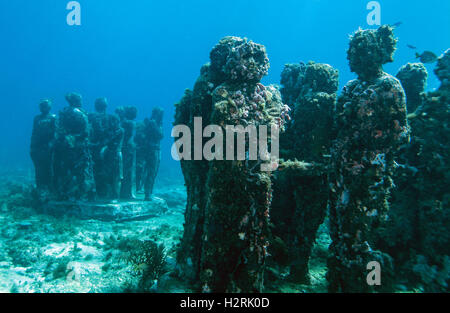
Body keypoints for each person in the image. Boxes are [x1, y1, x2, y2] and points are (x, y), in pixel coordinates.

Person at [53, 92, 96, 201]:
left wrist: (68, 138)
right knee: (83, 170)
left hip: (66, 146)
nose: (81, 102)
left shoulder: (63, 112)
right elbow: (86, 131)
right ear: (75, 101)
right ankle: (83, 194)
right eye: (80, 100)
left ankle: (66, 193)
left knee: (67, 169)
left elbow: (59, 130)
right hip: (80, 146)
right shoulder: (80, 113)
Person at [136, 108, 163, 201]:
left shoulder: (153, 123)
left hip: (153, 149)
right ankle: (147, 193)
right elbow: (160, 135)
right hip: (152, 150)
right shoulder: (153, 123)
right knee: (151, 171)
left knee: (150, 172)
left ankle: (147, 191)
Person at [30, 99, 57, 193]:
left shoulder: (54, 118)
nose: (43, 107)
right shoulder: (37, 118)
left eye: (45, 105)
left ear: (49, 107)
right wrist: (32, 147)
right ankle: (40, 186)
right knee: (38, 167)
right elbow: (34, 133)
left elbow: (56, 133)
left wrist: (52, 144)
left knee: (49, 167)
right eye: (41, 106)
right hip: (38, 146)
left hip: (49, 146)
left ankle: (50, 187)